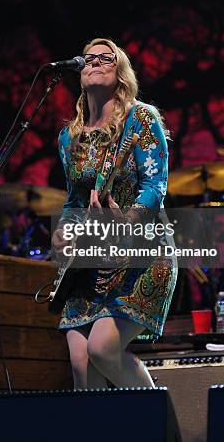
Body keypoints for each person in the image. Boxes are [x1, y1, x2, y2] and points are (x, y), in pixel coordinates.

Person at [52, 38, 177, 389]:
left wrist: (126, 222)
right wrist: (64, 232)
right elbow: (74, 201)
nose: (94, 62)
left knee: (103, 350)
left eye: (105, 58)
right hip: (92, 260)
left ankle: (159, 423)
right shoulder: (70, 138)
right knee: (80, 361)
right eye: (88, 58)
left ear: (121, 73)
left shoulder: (141, 119)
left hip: (142, 254)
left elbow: (155, 185)